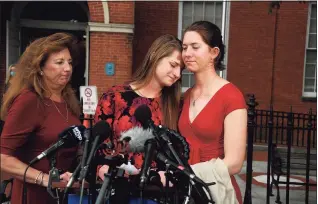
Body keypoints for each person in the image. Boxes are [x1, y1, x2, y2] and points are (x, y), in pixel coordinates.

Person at [94, 34, 184, 203]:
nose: (177, 74)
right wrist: (103, 167)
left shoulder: (175, 105)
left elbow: (179, 152)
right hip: (117, 190)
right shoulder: (115, 96)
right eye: (173, 65)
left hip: (158, 194)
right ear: (155, 56)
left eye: (181, 69)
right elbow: (98, 145)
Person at [0, 33, 82, 204]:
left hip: (63, 195)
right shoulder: (29, 100)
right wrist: (45, 179)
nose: (67, 68)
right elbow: (3, 158)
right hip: (33, 195)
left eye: (69, 62)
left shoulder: (69, 100)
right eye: (59, 62)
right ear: (40, 68)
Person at [178, 21, 247, 203]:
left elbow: (234, 163)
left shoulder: (231, 96)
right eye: (184, 47)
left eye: (195, 47)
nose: (187, 53)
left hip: (215, 192)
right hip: (187, 193)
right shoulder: (186, 96)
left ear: (214, 53)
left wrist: (188, 174)